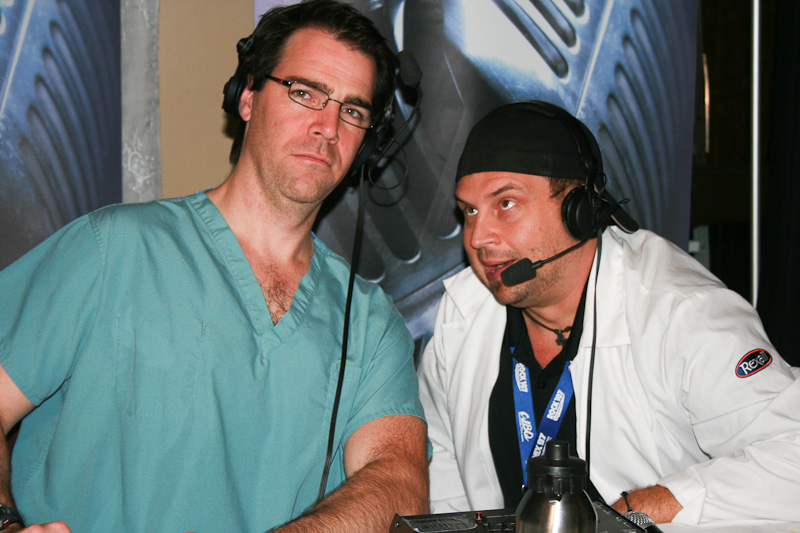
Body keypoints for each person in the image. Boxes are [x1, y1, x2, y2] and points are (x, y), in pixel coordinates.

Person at [0, 1, 429, 531]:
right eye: (304, 93)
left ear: (368, 143)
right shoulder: (111, 249)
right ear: (247, 97)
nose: (327, 126)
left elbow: (399, 486)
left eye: (353, 111)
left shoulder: (370, 324)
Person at [417, 100, 800, 525]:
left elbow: (793, 457)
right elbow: (441, 463)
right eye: (469, 211)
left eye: (505, 203)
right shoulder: (463, 313)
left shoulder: (680, 311)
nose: (478, 237)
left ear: (578, 210)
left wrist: (640, 512)